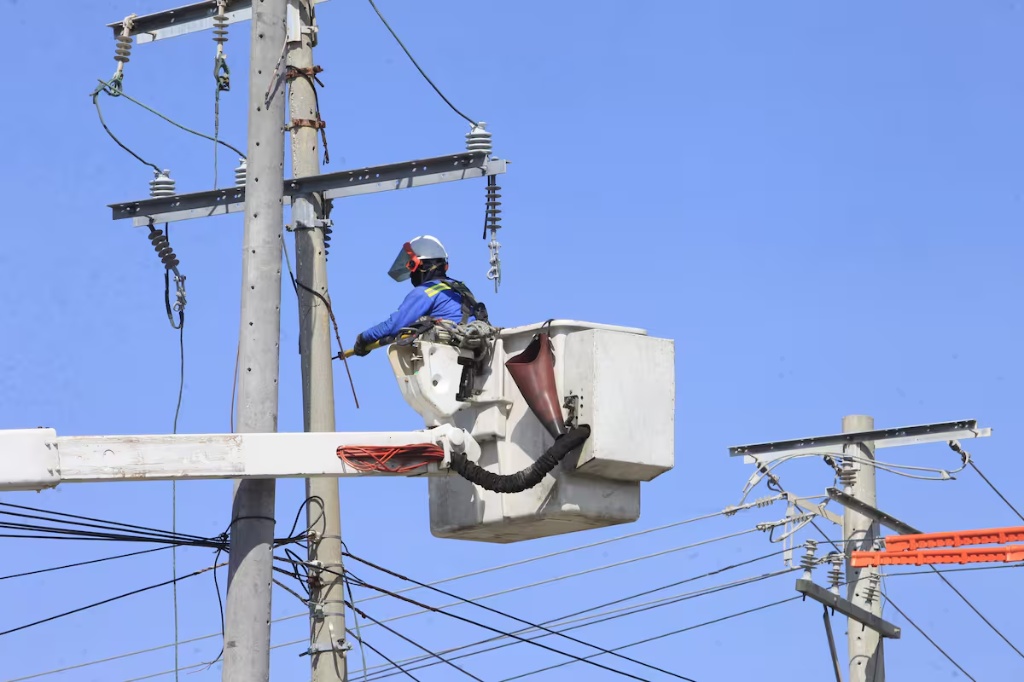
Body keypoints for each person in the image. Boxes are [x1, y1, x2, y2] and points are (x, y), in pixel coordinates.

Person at [351, 235, 488, 357]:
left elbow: (393, 325)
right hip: (473, 352)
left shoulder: (426, 291)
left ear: (420, 266)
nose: (411, 274)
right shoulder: (459, 288)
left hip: (449, 355)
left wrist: (363, 339)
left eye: (412, 268)